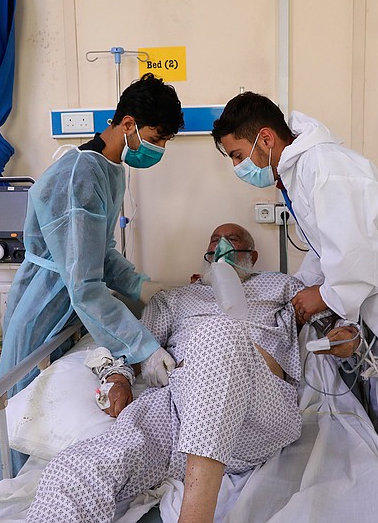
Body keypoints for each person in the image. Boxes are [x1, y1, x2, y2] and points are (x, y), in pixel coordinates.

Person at [211, 93, 378, 522]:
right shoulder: (302, 171)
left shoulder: (325, 168)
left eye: (237, 155)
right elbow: (326, 250)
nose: (238, 167)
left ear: (265, 138)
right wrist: (302, 289)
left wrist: (321, 297)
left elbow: (357, 256)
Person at [25, 223, 358, 523]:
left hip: (257, 411)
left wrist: (346, 334)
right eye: (215, 242)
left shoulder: (282, 286)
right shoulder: (176, 297)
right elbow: (137, 344)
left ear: (252, 255)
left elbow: (332, 317)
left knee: (219, 334)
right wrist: (120, 376)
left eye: (234, 241)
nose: (223, 248)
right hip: (176, 407)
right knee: (75, 469)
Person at [0, 73, 184, 482]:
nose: (160, 149)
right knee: (20, 419)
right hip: (43, 304)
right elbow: (84, 284)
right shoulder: (78, 177)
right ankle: (11, 498)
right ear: (128, 124)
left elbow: (101, 252)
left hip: (71, 305)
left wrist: (140, 286)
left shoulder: (111, 168)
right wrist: (144, 348)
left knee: (63, 408)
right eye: (158, 138)